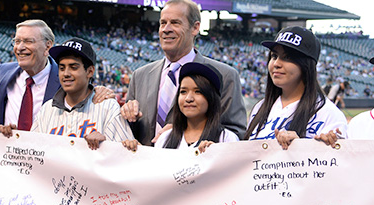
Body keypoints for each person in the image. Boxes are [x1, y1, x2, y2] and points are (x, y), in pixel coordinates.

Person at [120, 0, 246, 146]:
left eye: (175, 23)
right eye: (162, 23)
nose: (166, 29)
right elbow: (127, 131)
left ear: (195, 28)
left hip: (197, 165)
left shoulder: (225, 75)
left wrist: (185, 131)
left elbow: (236, 134)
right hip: (145, 165)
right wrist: (128, 117)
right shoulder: (139, 76)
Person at [0, 38, 137, 151]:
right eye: (62, 68)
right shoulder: (47, 109)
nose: (66, 74)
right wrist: (12, 137)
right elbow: (33, 155)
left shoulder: (108, 107)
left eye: (74, 67)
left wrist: (107, 146)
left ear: (89, 71)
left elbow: (128, 155)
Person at [0, 19, 113, 130]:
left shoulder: (67, 80)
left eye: (28, 41)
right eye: (17, 41)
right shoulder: (3, 72)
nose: (20, 47)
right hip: (6, 149)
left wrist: (100, 92)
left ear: (48, 46)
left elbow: (88, 94)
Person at [246, 26, 347, 149]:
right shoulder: (260, 108)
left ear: (306, 65)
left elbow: (335, 164)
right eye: (274, 56)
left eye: (287, 57)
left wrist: (300, 147)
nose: (276, 64)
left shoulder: (328, 114)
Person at [154, 62, 239, 152]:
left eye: (198, 91)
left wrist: (217, 155)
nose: (188, 98)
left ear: (211, 97)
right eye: (183, 91)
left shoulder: (226, 138)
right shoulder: (164, 139)